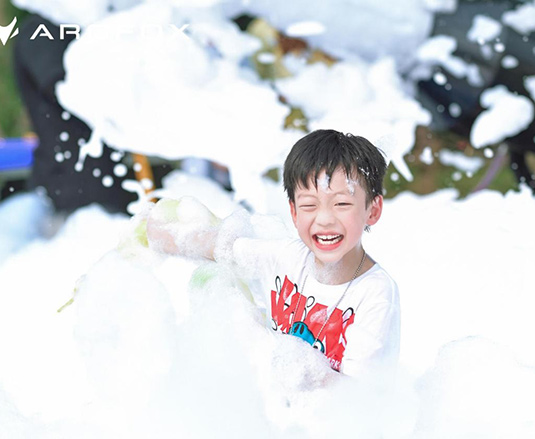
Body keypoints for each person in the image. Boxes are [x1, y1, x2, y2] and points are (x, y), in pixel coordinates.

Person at [146, 129, 401, 378]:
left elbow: (358, 401)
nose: (324, 219)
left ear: (372, 210)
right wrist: (159, 234)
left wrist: (265, 345)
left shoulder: (375, 295)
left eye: (342, 204)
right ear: (293, 212)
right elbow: (220, 246)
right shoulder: (287, 259)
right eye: (309, 205)